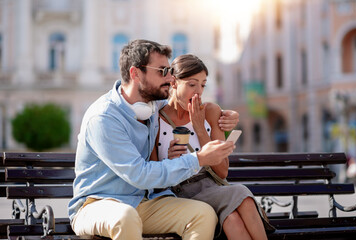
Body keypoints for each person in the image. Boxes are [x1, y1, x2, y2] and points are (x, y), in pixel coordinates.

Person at [68, 39, 240, 240]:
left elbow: (181, 103)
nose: (169, 78)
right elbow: (139, 175)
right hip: (96, 204)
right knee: (125, 217)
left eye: (169, 71)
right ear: (135, 73)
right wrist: (199, 159)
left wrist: (226, 116)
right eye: (161, 71)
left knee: (203, 214)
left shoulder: (152, 105)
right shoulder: (104, 118)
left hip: (144, 201)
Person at [151, 54, 275, 240]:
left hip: (209, 186)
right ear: (174, 82)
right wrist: (169, 160)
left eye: (203, 85)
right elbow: (152, 177)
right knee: (240, 193)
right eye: (192, 84)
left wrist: (200, 128)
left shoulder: (210, 111)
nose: (198, 92)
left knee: (232, 219)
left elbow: (222, 171)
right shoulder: (155, 119)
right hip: (176, 192)